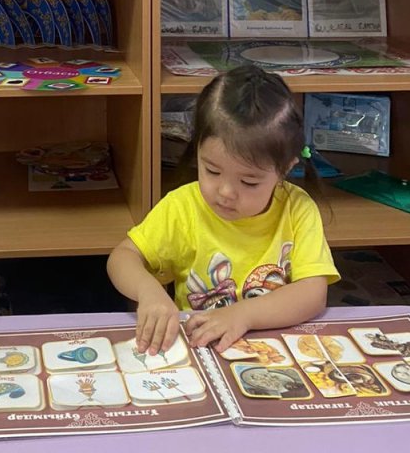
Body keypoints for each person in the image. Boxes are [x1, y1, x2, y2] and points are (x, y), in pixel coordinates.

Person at [107, 66, 338, 357]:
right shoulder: (183, 207)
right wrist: (148, 291)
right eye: (212, 171)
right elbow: (122, 257)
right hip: (201, 349)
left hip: (273, 350)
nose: (226, 192)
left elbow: (313, 293)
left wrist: (243, 315)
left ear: (285, 168)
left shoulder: (297, 209)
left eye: (249, 182)